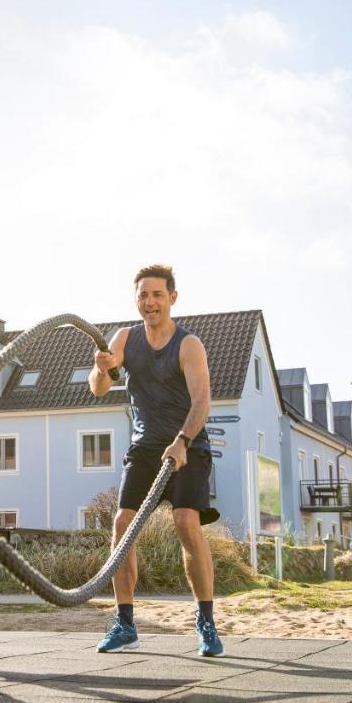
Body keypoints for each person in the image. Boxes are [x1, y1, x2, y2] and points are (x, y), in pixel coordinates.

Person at [90, 264, 222, 656]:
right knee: (122, 524)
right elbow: (99, 388)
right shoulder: (126, 339)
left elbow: (202, 401)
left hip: (189, 445)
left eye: (157, 295)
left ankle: (206, 621)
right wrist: (100, 370)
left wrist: (182, 441)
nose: (150, 303)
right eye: (143, 296)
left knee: (186, 522)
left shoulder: (188, 345)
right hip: (146, 448)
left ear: (172, 299)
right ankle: (125, 622)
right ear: (137, 301)